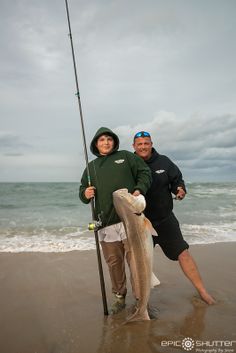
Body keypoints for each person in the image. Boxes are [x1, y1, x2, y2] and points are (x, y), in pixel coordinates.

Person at [132, 131, 215, 305]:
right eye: (139, 144)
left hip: (165, 219)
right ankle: (141, 301)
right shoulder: (130, 164)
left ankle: (203, 291)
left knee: (183, 253)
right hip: (140, 223)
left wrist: (180, 189)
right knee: (139, 263)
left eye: (146, 143)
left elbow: (177, 180)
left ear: (151, 144)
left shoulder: (164, 161)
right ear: (134, 146)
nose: (143, 147)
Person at [79, 127, 152, 314]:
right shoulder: (91, 167)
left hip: (130, 221)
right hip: (105, 224)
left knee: (137, 263)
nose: (106, 143)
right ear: (96, 144)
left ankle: (141, 299)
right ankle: (119, 297)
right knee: (114, 264)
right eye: (101, 140)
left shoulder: (126, 157)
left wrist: (139, 189)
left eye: (109, 139)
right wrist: (85, 194)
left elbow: (145, 173)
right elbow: (82, 192)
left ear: (114, 142)